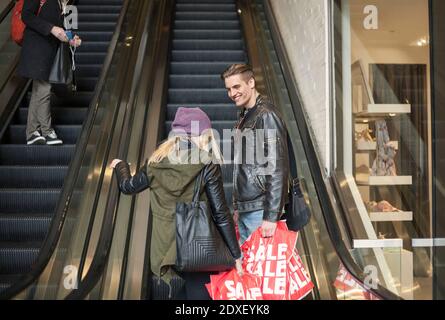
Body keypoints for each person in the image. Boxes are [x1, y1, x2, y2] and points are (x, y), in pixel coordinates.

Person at [110, 107, 242, 300]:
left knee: (190, 288)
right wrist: (235, 254)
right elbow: (220, 213)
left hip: (167, 248)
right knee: (201, 291)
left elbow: (127, 186)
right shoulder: (207, 164)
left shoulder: (155, 162)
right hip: (198, 243)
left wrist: (122, 166)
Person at [221, 63, 290, 244]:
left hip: (261, 211)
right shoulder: (246, 116)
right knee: (251, 270)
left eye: (237, 86)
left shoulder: (266, 115)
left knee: (261, 270)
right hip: (248, 209)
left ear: (251, 82)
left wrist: (271, 215)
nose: (232, 93)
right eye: (228, 89)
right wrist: (238, 206)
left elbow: (277, 167)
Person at [17, 0, 82, 145]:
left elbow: (63, 27)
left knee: (39, 90)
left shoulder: (66, 3)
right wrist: (51, 29)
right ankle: (47, 131)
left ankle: (32, 132)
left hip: (50, 50)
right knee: (44, 88)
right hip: (37, 48)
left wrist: (71, 38)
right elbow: (26, 15)